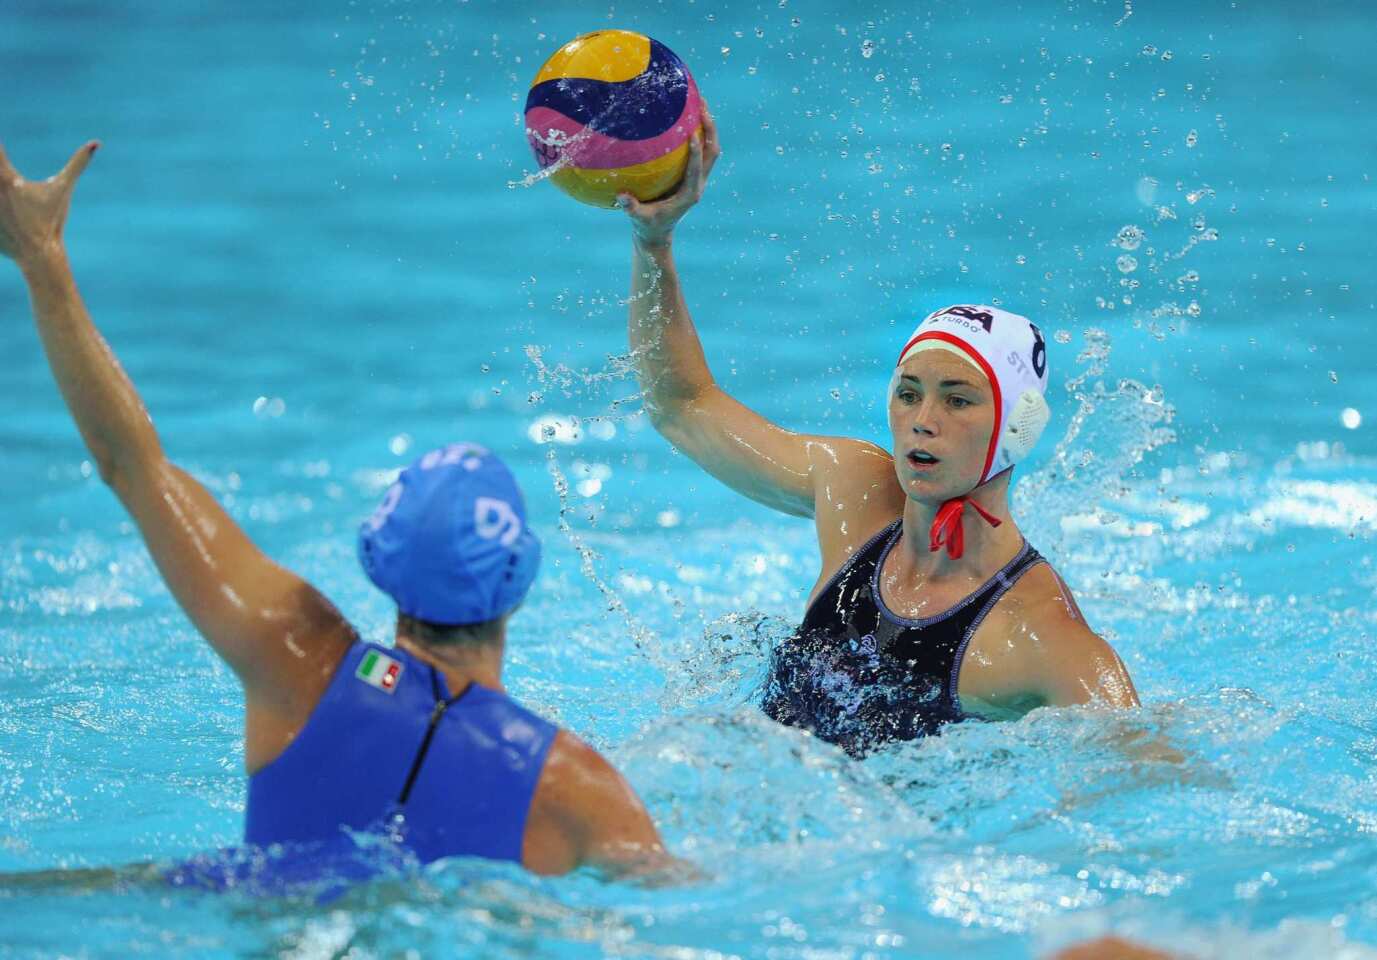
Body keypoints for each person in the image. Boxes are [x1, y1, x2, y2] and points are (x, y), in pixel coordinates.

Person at [0, 140, 670, 878]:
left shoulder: (293, 654)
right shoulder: (579, 788)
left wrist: (41, 257)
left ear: (375, 556)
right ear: (522, 576)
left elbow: (130, 466)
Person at [616, 104, 1140, 755]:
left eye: (958, 401)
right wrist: (653, 245)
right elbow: (682, 407)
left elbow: (1153, 771)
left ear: (1016, 426)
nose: (923, 421)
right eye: (908, 393)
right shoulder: (854, 494)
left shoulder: (1039, 636)